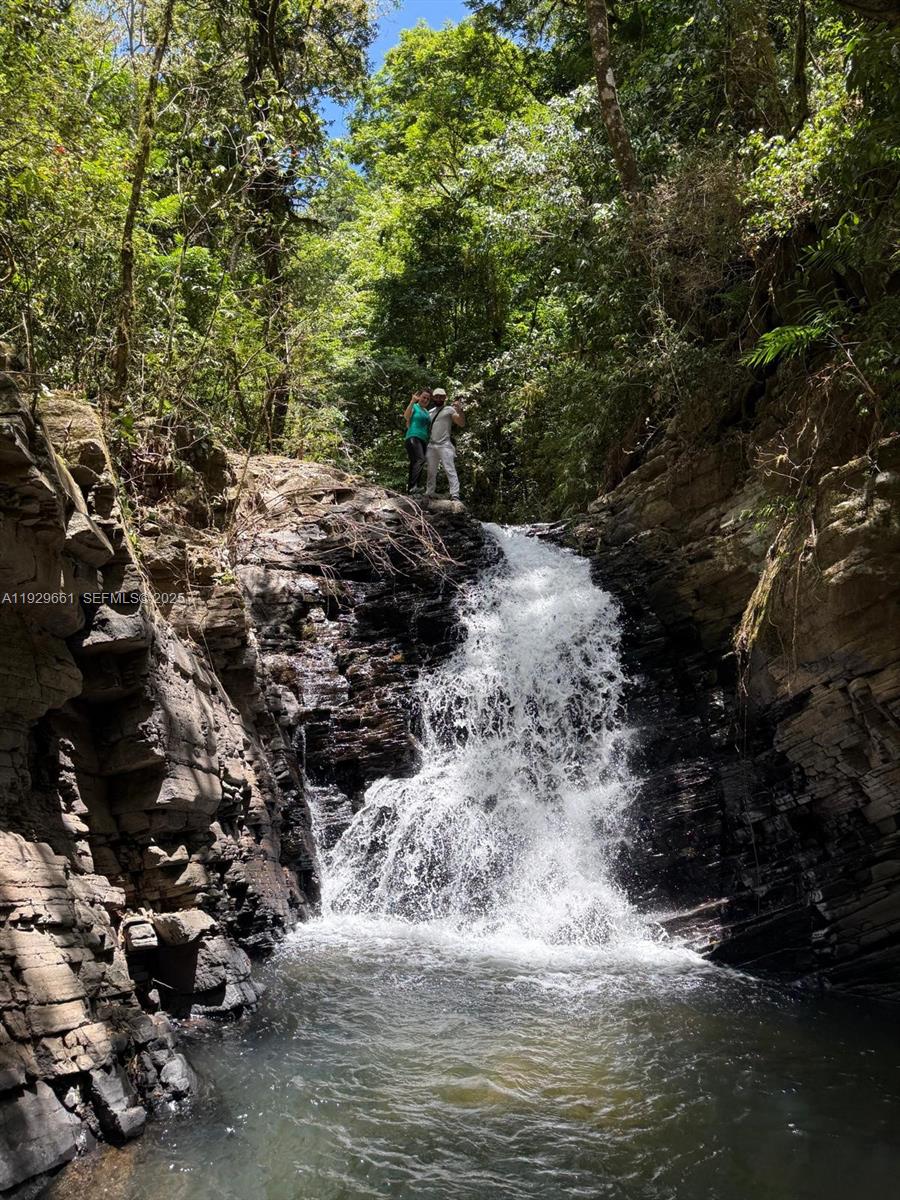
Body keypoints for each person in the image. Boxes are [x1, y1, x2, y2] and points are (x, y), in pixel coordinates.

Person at [425, 387, 464, 500]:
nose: (438, 399)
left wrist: (460, 410)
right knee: (431, 470)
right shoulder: (429, 412)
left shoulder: (449, 409)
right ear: (433, 398)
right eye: (436, 397)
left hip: (445, 444)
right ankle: (429, 492)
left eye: (441, 397)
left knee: (449, 469)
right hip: (431, 445)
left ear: (445, 398)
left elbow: (461, 423)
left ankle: (455, 494)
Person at [403, 389, 432, 493]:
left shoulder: (427, 412)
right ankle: (414, 486)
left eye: (428, 399)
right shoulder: (414, 406)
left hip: (423, 440)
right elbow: (406, 416)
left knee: (415, 462)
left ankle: (410, 489)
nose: (425, 400)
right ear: (419, 397)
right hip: (413, 437)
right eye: (424, 397)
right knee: (420, 459)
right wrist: (412, 402)